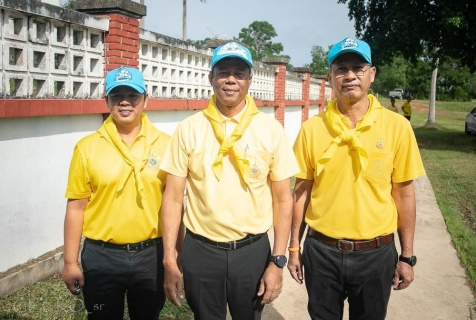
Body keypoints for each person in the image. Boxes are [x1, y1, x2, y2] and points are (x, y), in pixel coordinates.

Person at [288, 37, 426, 320]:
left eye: (358, 68)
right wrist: (293, 247)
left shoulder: (396, 127)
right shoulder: (312, 129)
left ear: (371, 74)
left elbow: (404, 195)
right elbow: (300, 192)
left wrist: (406, 256)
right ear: (329, 77)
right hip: (321, 251)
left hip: (376, 253)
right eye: (341, 69)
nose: (349, 75)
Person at [160, 41, 299, 320]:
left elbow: (284, 199)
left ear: (249, 80)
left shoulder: (270, 130)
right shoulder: (189, 129)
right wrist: (169, 258)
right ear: (211, 78)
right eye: (223, 72)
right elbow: (173, 197)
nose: (231, 80)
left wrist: (278, 260)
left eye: (239, 73)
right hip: (201, 250)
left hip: (252, 252)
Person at [62, 67, 171, 319]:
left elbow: (174, 205)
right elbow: (76, 207)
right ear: (106, 100)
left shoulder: (166, 145)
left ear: (146, 99)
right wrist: (70, 262)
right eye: (116, 95)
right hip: (101, 259)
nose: (125, 101)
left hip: (150, 257)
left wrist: (173, 257)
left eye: (132, 95)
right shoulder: (87, 148)